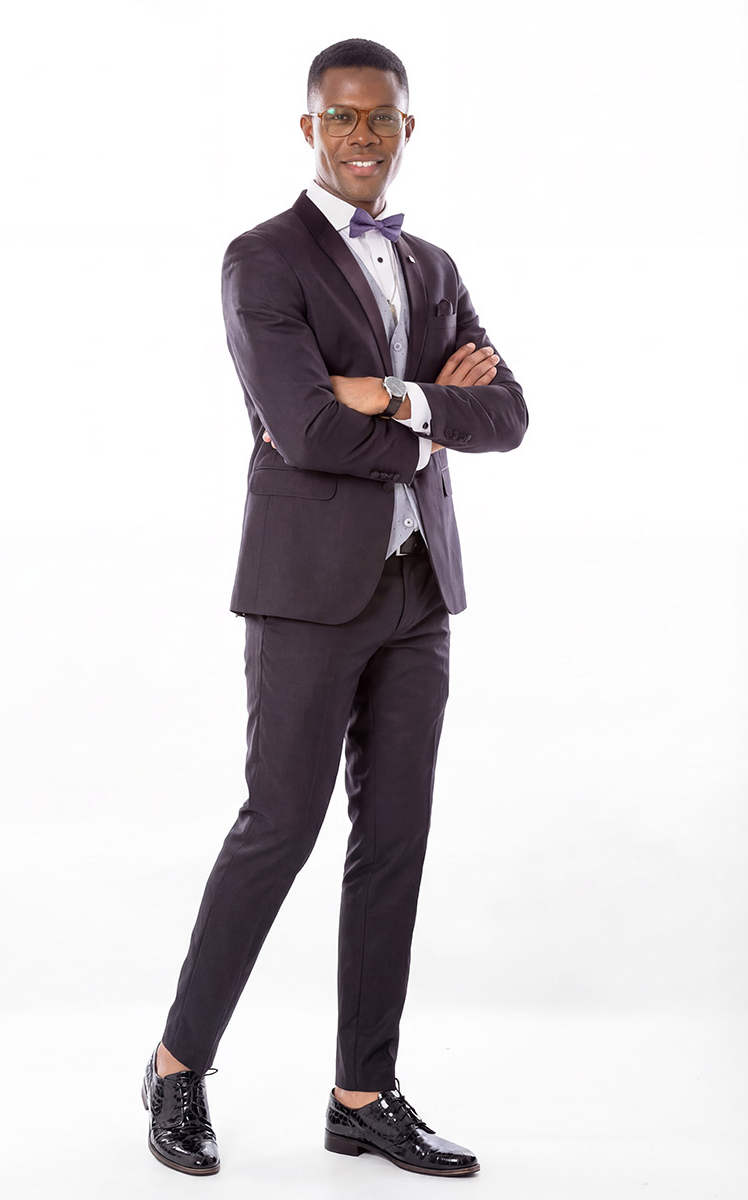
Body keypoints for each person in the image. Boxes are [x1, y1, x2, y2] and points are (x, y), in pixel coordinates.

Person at [141, 37, 528, 1178]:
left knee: (395, 838)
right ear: (309, 128)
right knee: (279, 827)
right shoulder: (260, 260)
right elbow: (304, 428)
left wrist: (392, 395)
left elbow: (508, 415)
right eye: (341, 117)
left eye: (381, 117)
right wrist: (429, 418)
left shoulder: (434, 268)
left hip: (418, 591)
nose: (363, 136)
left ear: (407, 128)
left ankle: (363, 1094)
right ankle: (176, 1065)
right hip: (307, 593)